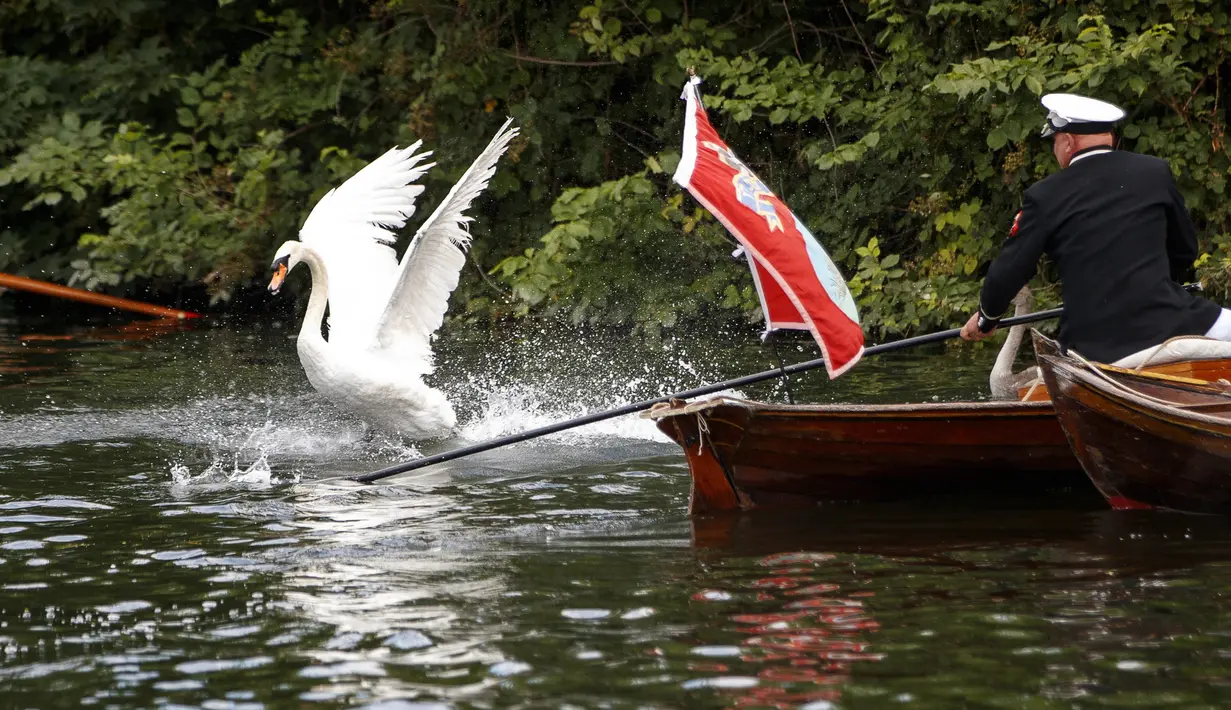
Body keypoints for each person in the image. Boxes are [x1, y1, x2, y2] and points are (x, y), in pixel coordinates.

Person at [959, 93, 1227, 363]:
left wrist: (986, 318)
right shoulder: (1155, 172)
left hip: (1096, 350)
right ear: (1108, 136)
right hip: (1179, 322)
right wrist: (1153, 285)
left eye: (1054, 139)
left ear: (1068, 141)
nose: (1055, 148)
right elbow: (1185, 250)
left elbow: (1007, 272)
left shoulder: (1044, 196)